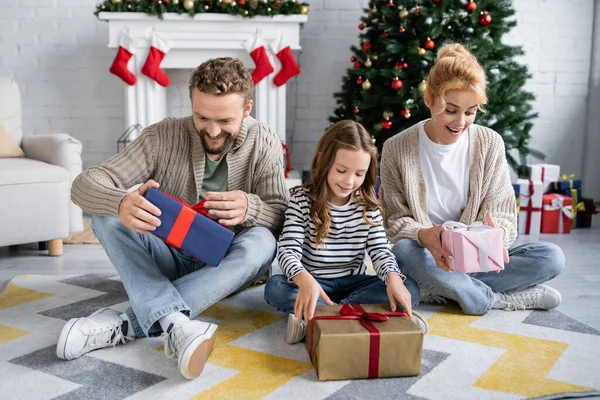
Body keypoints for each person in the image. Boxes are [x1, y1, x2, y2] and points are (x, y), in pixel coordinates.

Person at [56, 57, 288, 379]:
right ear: (190, 103)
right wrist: (121, 201)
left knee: (262, 241)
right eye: (202, 117)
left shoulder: (264, 141)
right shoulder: (161, 137)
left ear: (247, 109)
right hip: (168, 253)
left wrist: (251, 209)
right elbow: (85, 184)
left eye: (225, 120)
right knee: (107, 218)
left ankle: (124, 324)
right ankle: (177, 325)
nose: (213, 130)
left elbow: (283, 216)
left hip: (226, 263)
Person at [380, 43, 565, 316]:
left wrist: (495, 234)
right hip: (428, 256)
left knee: (551, 257)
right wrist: (423, 234)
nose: (461, 122)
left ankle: (443, 290)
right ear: (429, 99)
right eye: (451, 110)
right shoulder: (397, 147)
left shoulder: (489, 143)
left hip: (478, 257)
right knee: (403, 253)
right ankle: (492, 299)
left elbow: (502, 211)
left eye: (471, 111)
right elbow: (395, 222)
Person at [264, 120, 420, 344]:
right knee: (275, 287)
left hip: (353, 283)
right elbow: (288, 250)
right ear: (325, 162)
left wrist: (392, 277)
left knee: (409, 288)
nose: (349, 181)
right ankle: (342, 315)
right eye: (341, 170)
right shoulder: (300, 199)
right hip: (313, 282)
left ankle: (322, 316)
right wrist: (304, 280)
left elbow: (380, 251)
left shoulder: (369, 206)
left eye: (359, 174)